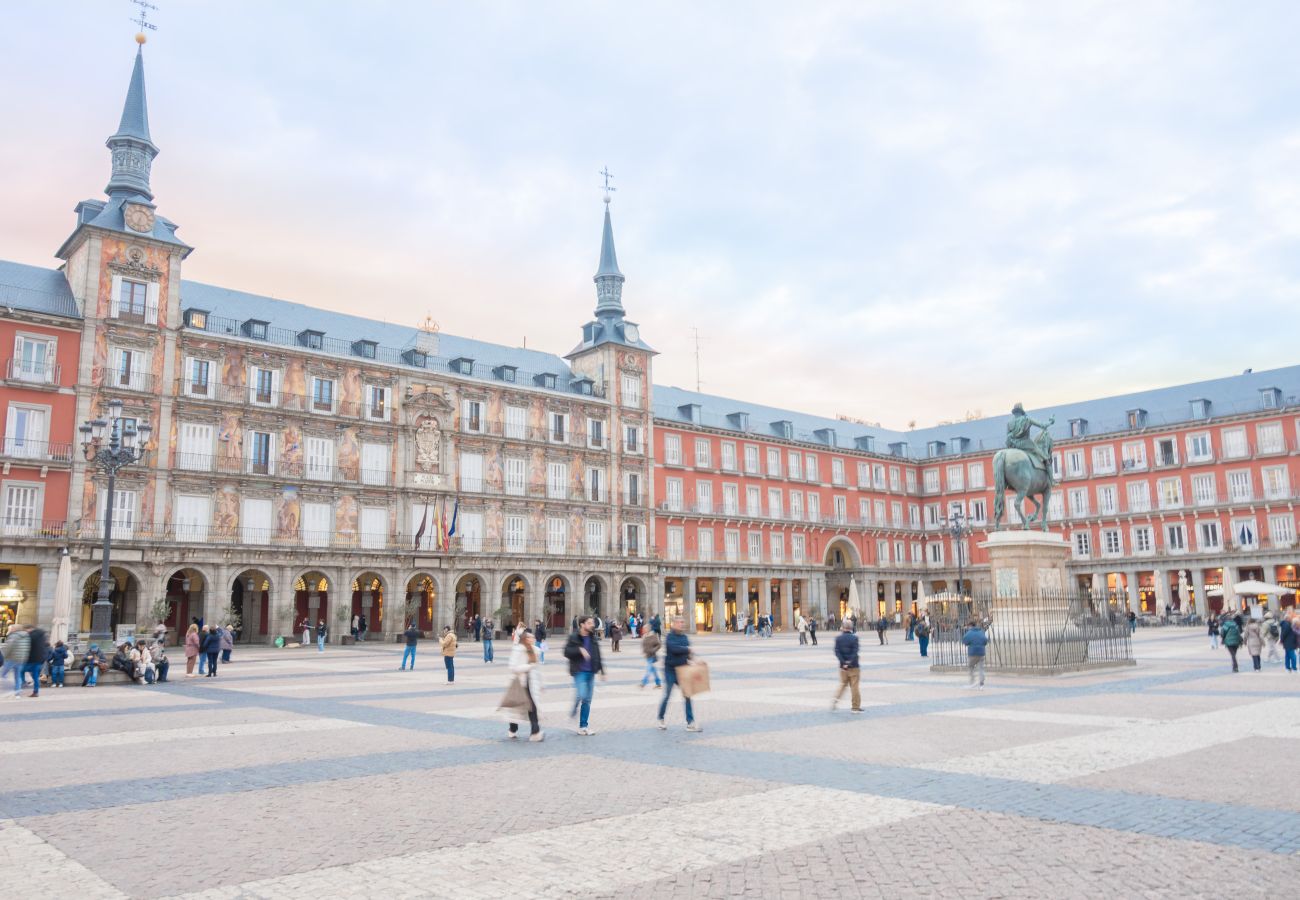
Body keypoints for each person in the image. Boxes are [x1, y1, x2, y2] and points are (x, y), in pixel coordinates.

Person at [657, 617, 701, 731]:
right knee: (667, 694)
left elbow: (687, 652)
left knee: (687, 695)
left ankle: (690, 722)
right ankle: (661, 718)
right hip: (670, 670)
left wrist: (692, 658)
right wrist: (687, 650)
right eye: (680, 622)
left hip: (683, 670)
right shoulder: (669, 637)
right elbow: (674, 649)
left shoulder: (685, 637)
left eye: (683, 622)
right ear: (674, 624)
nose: (682, 624)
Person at [564, 616, 604, 735]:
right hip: (579, 671)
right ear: (582, 624)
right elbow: (566, 652)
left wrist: (602, 671)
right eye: (590, 623)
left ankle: (583, 726)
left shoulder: (593, 638)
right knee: (582, 694)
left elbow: (598, 655)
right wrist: (579, 650)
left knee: (587, 700)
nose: (592, 624)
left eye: (592, 622)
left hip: (591, 672)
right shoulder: (574, 637)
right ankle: (574, 709)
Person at [506, 629, 544, 741]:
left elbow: (537, 669)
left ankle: (535, 732)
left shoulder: (535, 650)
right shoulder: (518, 650)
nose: (533, 639)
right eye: (530, 637)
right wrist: (528, 667)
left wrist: (541, 683)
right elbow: (512, 667)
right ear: (524, 639)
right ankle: (512, 728)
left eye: (533, 637)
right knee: (517, 707)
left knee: (532, 707)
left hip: (531, 683)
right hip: (519, 683)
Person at [831, 619, 862, 712]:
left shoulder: (838, 639)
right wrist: (849, 662)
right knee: (854, 686)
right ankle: (855, 707)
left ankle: (835, 700)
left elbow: (837, 652)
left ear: (843, 628)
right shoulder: (854, 638)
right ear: (851, 628)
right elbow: (855, 651)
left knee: (843, 684)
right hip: (854, 666)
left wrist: (843, 663)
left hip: (842, 668)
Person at [2, 623, 30, 696]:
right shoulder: (26, 636)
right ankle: (17, 692)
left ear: (14, 629)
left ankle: (9, 688)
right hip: (21, 659)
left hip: (11, 658)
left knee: (2, 674)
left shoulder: (14, 636)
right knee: (17, 676)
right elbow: (27, 648)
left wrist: (4, 656)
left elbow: (8, 647)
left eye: (10, 628)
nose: (9, 629)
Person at [23, 625, 48, 698]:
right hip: (40, 659)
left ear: (29, 629)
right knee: (35, 676)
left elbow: (28, 647)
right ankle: (35, 691)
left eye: (26, 630)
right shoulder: (42, 636)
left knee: (20, 670)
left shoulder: (31, 636)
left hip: (32, 659)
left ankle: (23, 684)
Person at [961, 620, 988, 689]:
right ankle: (981, 684)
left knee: (971, 667)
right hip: (981, 653)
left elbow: (965, 641)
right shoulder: (981, 632)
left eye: (968, 626)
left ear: (970, 626)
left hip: (973, 653)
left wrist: (969, 643)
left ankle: (972, 682)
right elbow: (985, 641)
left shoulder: (969, 633)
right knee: (981, 668)